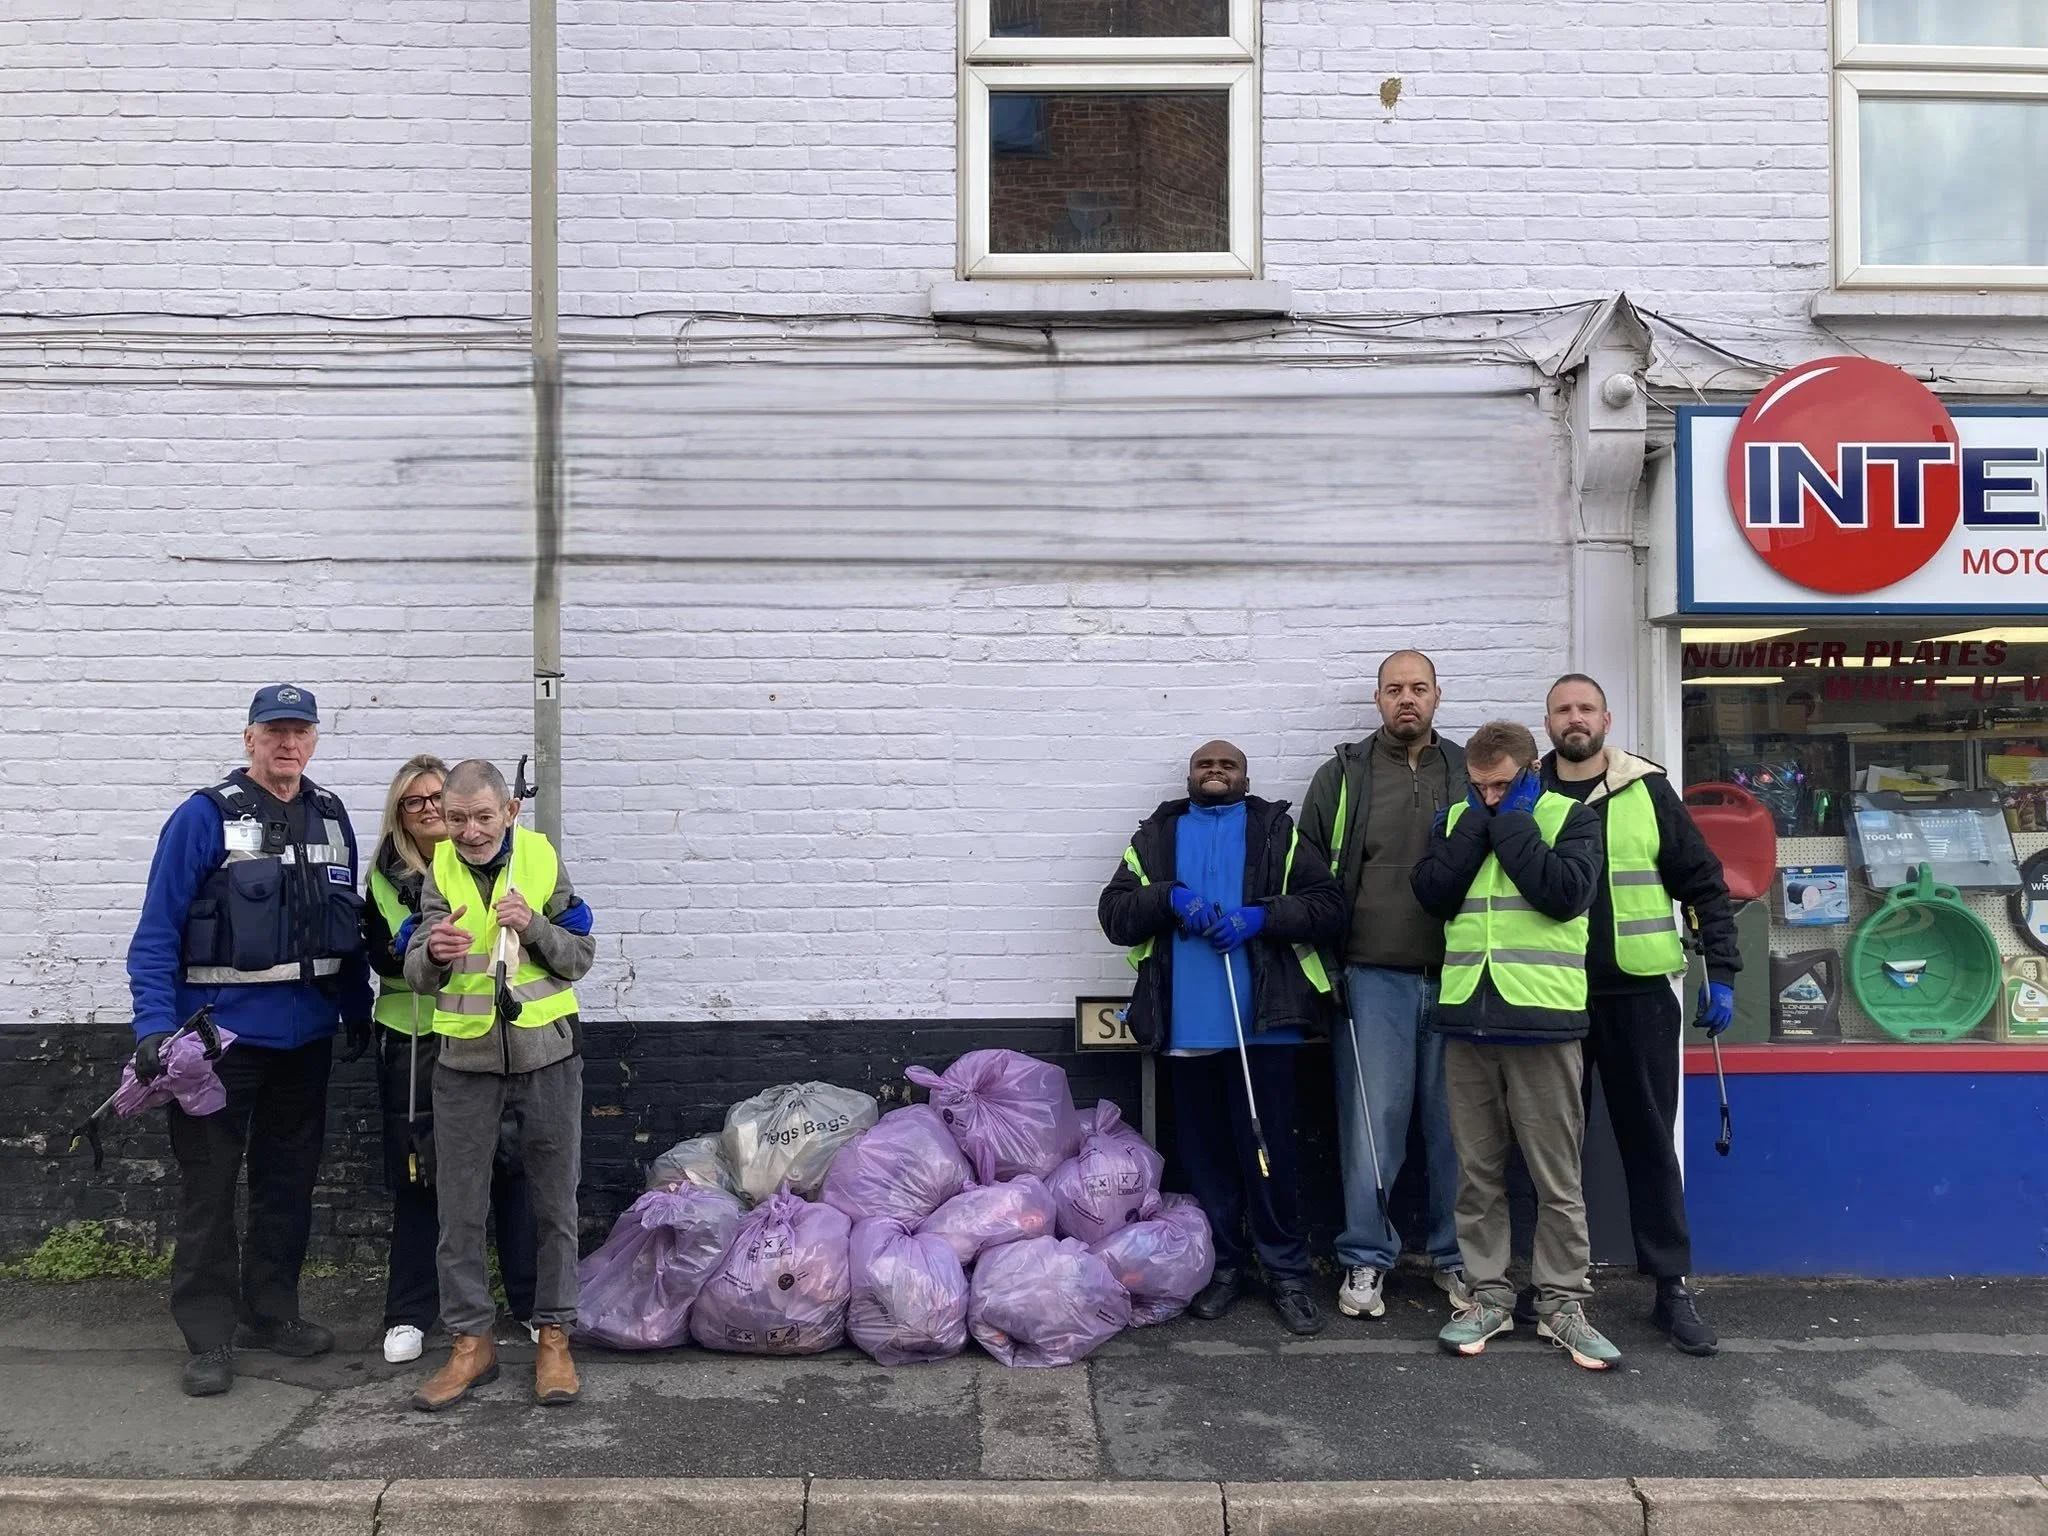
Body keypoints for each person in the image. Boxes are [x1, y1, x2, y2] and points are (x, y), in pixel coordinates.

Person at [124, 684, 371, 1397]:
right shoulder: (203, 817)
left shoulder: (330, 815)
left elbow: (345, 922)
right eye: (274, 732)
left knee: (287, 1186)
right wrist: (152, 1029)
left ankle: (273, 1313)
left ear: (315, 740)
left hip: (307, 1039)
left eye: (299, 731)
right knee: (209, 1189)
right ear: (249, 739)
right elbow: (156, 935)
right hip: (218, 1045)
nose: (286, 744)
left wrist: (354, 1006)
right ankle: (208, 1335)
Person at [1098, 740, 1346, 1336]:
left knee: (1270, 1155)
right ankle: (1225, 1267)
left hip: (1263, 1028)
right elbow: (1115, 914)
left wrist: (1262, 917)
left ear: (1245, 776)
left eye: (1227, 764)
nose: (1215, 771)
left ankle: (1287, 1272)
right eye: (1205, 764)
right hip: (1186, 1027)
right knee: (1205, 1159)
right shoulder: (1156, 837)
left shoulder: (1275, 832)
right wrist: (1169, 898)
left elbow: (1330, 905)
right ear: (1189, 775)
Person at [1540, 673, 1739, 1356]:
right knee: (1548, 1152)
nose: (1575, 718)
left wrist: (1726, 971)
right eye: (1563, 708)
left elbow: (1703, 880)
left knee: (1652, 1145)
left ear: (1607, 717)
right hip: (1550, 995)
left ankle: (1670, 1288)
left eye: (1586, 707)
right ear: (1548, 722)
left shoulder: (1646, 787)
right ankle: (1551, 1290)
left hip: (1640, 995)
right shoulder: (1527, 792)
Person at [1412, 719, 1619, 1369]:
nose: (1491, 797)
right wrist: (1479, 822)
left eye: (1502, 785)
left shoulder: (1571, 818)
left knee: (1556, 1177)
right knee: (1477, 1176)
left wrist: (1510, 823)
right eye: (1479, 787)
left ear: (1531, 770)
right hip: (1466, 1020)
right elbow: (1433, 894)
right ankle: (1489, 1296)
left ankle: (1561, 1302)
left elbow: (1563, 895)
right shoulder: (1456, 821)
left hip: (1543, 1021)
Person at [404, 759, 594, 1411]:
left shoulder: (542, 860)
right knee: (458, 1212)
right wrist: (432, 954)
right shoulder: (441, 871)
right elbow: (415, 970)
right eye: (457, 819)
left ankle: (553, 1340)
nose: (470, 831)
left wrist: (534, 927)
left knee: (553, 1207)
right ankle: (470, 1345)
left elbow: (580, 957)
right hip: (463, 1067)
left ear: (509, 811)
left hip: (547, 1061)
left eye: (484, 817)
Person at [1296, 650, 1468, 1321]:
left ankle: (1460, 1263)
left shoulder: (1469, 771)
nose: (1407, 700)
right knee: (1373, 1129)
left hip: (1463, 978)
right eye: (1394, 689)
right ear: (1377, 700)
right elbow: (1306, 878)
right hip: (1372, 978)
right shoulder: (1344, 777)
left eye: (1418, 689)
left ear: (1437, 696)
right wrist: (1324, 972)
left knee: (1460, 1132)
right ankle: (1365, 1261)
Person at [362, 754, 540, 1366]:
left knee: (511, 1166)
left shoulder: (501, 860)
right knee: (421, 1174)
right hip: (414, 1041)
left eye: (439, 799)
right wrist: (423, 939)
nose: (431, 811)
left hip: (485, 1036)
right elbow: (392, 953)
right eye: (416, 802)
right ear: (401, 816)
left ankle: (529, 1302)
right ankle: (410, 1311)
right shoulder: (388, 876)